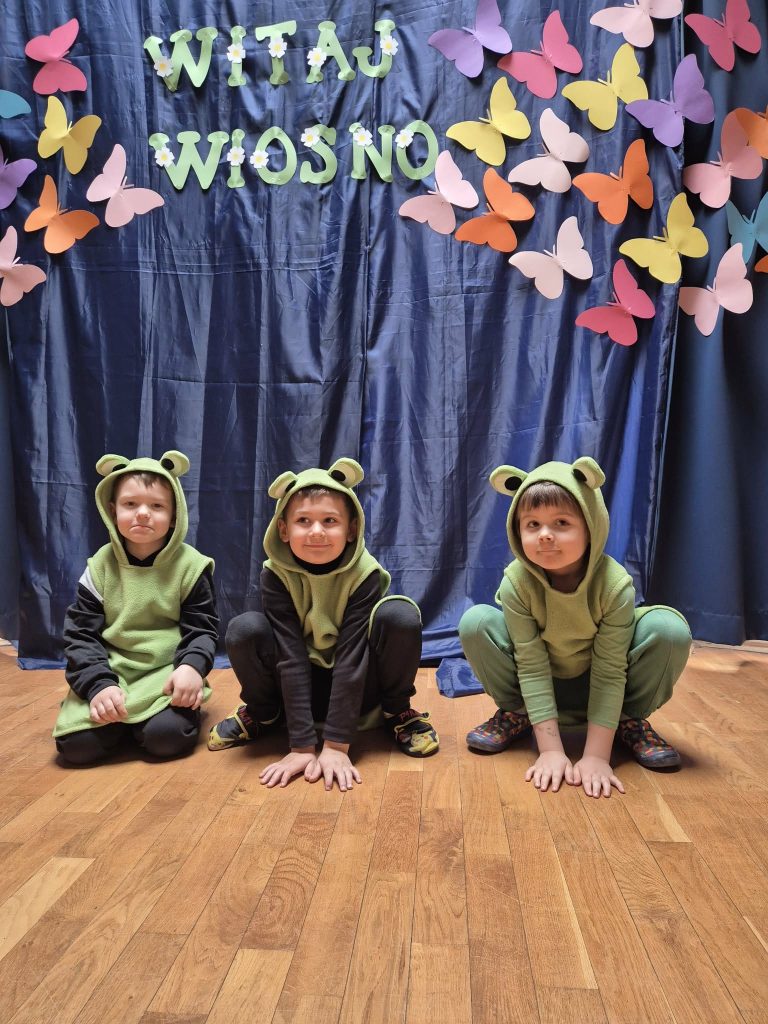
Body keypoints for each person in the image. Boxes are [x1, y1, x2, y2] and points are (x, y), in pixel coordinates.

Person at [460, 457, 690, 798]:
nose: (545, 535)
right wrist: (551, 751)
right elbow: (531, 664)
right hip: (539, 685)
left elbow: (611, 669)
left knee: (669, 629)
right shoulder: (516, 584)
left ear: (591, 526)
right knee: (475, 622)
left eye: (562, 522)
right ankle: (518, 713)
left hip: (604, 685)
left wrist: (596, 756)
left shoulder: (614, 585)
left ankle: (627, 720)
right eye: (533, 524)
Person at [208, 457, 438, 789]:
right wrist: (302, 747)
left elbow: (352, 656)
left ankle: (396, 712)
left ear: (351, 529)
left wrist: (336, 746)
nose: (316, 531)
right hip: (298, 687)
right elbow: (289, 655)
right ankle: (264, 713)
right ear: (284, 530)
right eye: (303, 520)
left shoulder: (365, 574)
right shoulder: (275, 575)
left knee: (399, 615)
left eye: (330, 520)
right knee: (245, 629)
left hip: (359, 687)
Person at [53, 451, 218, 764]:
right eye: (130, 504)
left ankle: (149, 720)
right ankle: (118, 717)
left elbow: (203, 629)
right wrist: (99, 685)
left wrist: (191, 667)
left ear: (174, 515)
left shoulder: (191, 567)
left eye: (157, 506)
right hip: (112, 669)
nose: (143, 513)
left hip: (165, 672)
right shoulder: (99, 567)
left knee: (165, 739)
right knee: (77, 747)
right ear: (112, 511)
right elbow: (80, 635)